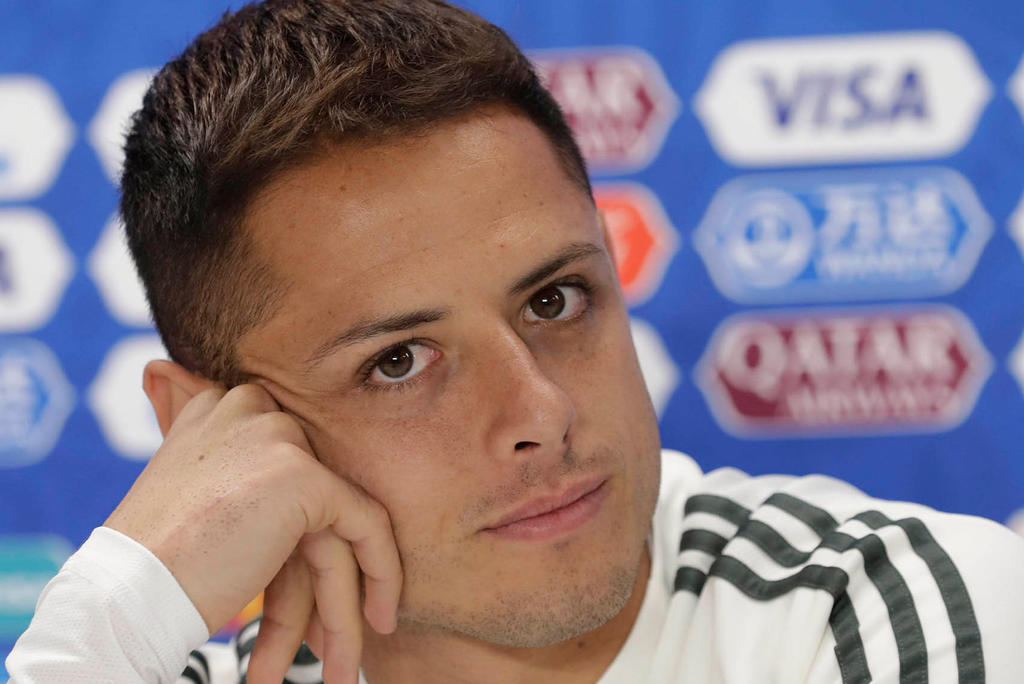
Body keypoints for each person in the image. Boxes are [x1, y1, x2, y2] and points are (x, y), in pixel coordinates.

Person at [7, 0, 1024, 682]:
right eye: (397, 362)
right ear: (208, 434)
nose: (542, 411)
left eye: (554, 300)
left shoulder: (883, 617)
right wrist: (113, 620)